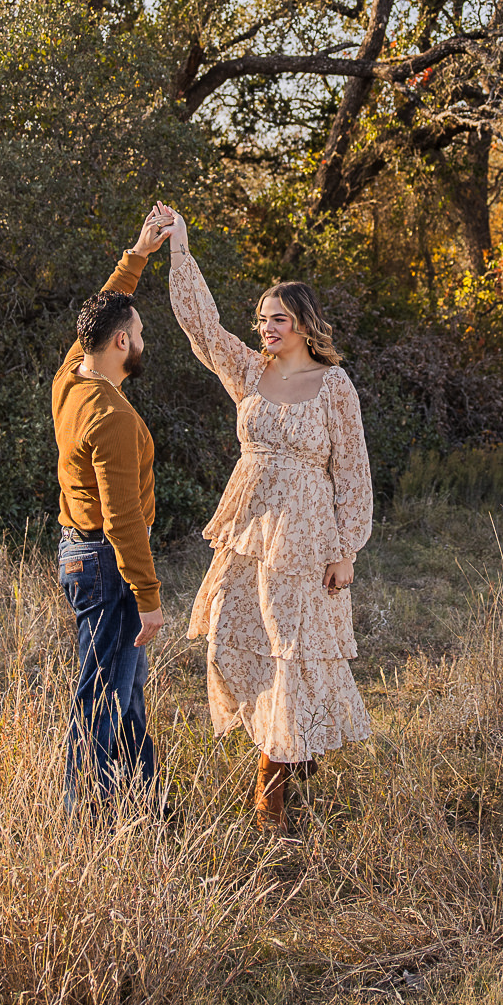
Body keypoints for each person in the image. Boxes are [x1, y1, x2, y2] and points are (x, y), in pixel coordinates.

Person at [158, 203, 373, 836]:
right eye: (262, 319)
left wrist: (347, 550)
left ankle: (271, 795)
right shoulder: (248, 371)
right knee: (229, 635)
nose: (266, 328)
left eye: (278, 318)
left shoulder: (334, 385)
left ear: (304, 323)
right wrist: (179, 251)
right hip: (248, 526)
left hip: (308, 537)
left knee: (292, 653)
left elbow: (352, 470)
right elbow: (201, 327)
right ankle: (292, 751)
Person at [52, 212, 171, 812]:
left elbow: (99, 313)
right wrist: (147, 598)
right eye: (140, 332)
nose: (143, 342)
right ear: (122, 342)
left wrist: (138, 254)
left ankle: (147, 806)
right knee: (103, 696)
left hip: (81, 555)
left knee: (124, 695)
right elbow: (124, 519)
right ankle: (85, 824)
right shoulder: (115, 418)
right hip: (108, 564)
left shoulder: (71, 380)